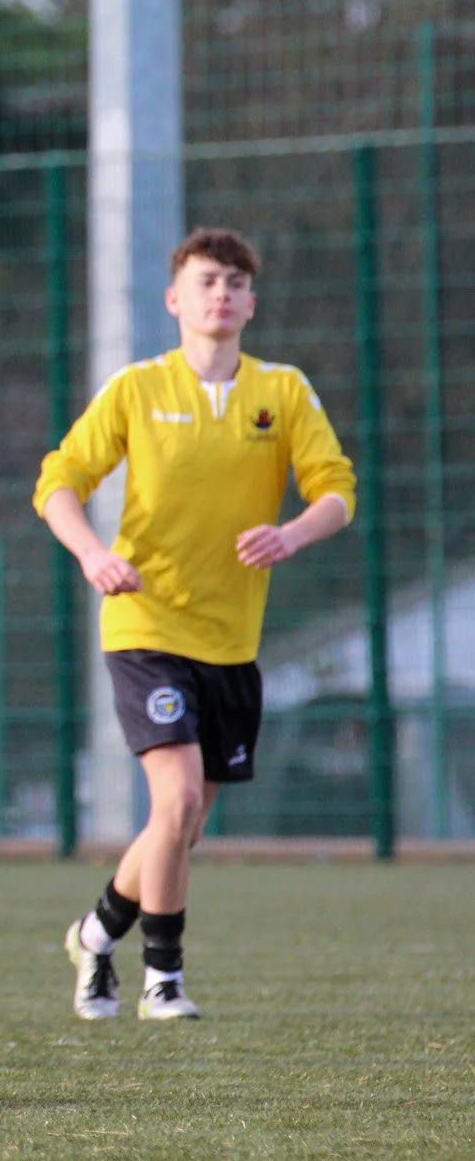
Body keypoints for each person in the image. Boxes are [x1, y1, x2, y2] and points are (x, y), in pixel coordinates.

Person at [37, 227, 354, 1022]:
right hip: (145, 624)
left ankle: (95, 934)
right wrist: (91, 553)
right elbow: (58, 481)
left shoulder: (282, 391)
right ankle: (163, 979)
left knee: (182, 823)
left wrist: (292, 533)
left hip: (231, 641)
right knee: (176, 800)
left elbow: (337, 490)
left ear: (252, 303)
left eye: (235, 283)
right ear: (174, 299)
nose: (222, 294)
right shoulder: (138, 387)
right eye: (207, 281)